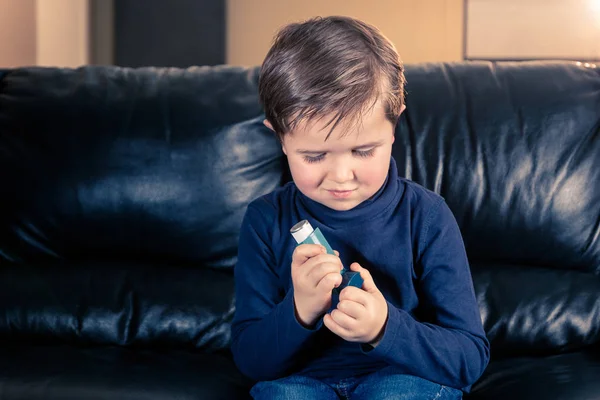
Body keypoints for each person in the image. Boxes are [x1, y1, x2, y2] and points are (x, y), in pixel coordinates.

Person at [231, 15, 489, 400]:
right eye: (314, 155)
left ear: (394, 125)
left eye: (363, 151)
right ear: (280, 137)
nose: (341, 176)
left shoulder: (427, 216)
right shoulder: (265, 220)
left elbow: (468, 358)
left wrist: (385, 327)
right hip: (301, 383)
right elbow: (251, 361)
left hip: (402, 375)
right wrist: (299, 310)